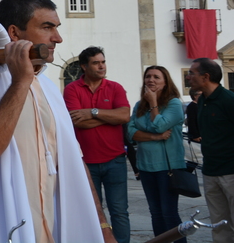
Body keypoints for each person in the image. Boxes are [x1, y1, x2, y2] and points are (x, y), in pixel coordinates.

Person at [0, 0, 113, 243]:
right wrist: (21, 81)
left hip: (55, 231)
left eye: (56, 27)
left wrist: (102, 226)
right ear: (14, 33)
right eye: (47, 27)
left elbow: (74, 161)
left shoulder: (48, 87)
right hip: (1, 230)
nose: (57, 38)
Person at [64, 46, 131, 243]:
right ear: (84, 66)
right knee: (91, 212)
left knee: (119, 211)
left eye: (103, 62)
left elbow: (124, 115)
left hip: (115, 160)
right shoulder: (72, 89)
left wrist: (93, 112)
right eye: (96, 63)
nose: (101, 66)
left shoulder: (115, 87)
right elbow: (76, 120)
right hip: (85, 162)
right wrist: (110, 116)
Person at [127, 65, 187, 243]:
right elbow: (130, 133)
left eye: (156, 77)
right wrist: (155, 137)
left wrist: (153, 104)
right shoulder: (139, 105)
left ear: (166, 82)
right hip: (145, 166)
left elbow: (160, 124)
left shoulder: (174, 103)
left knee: (169, 213)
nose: (150, 80)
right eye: (148, 76)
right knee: (155, 213)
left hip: (167, 167)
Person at [187, 57, 234, 243]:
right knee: (219, 225)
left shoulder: (228, 100)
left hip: (231, 172)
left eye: (192, 73)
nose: (188, 77)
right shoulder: (202, 101)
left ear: (205, 76)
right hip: (210, 172)